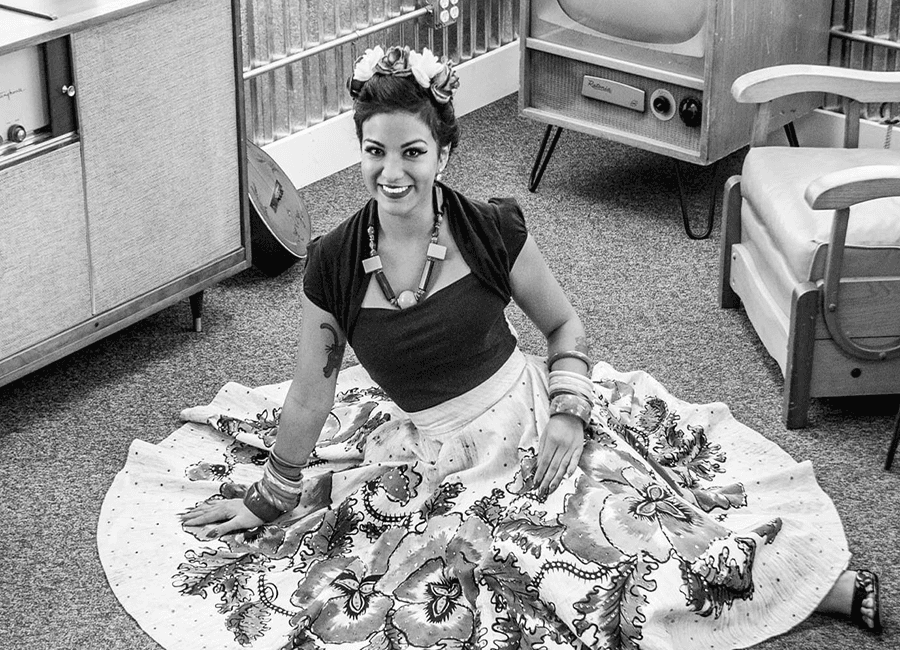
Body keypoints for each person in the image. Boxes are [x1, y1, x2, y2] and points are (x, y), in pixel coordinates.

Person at [99, 45, 881, 650]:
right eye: (376, 151)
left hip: (532, 415)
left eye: (412, 152)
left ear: (444, 152)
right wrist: (268, 499)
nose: (392, 171)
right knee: (485, 563)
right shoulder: (335, 263)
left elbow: (565, 328)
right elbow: (311, 393)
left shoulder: (490, 226)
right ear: (359, 150)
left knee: (628, 515)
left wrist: (571, 414)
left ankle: (818, 588)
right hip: (433, 448)